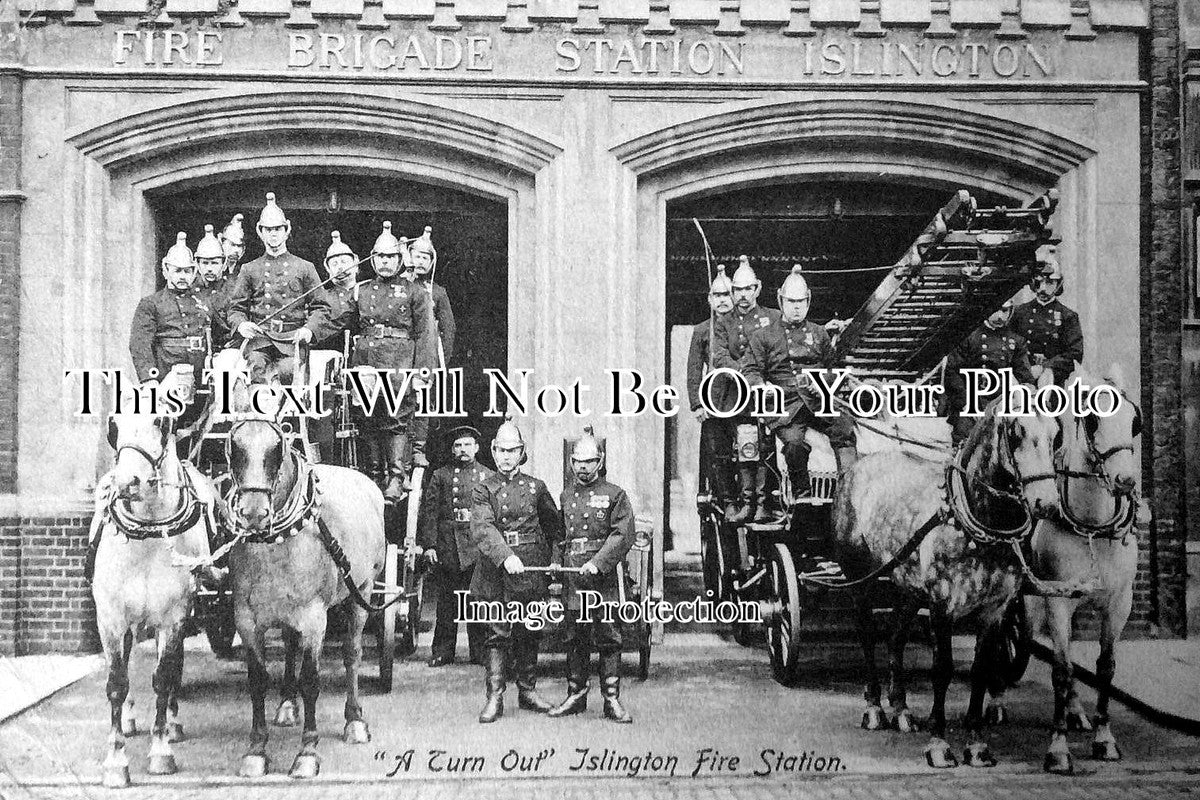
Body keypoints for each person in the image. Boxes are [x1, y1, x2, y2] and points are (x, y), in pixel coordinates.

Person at [469, 418, 564, 723]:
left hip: (530, 570)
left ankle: (528, 691)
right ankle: (494, 696)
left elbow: (555, 530)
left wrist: (554, 563)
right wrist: (505, 555)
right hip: (496, 571)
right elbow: (482, 528)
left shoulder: (536, 488)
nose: (507, 456)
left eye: (513, 450)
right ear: (493, 452)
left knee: (527, 631)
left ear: (522, 452)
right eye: (501, 450)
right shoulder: (482, 489)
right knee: (496, 634)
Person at [741, 265, 857, 499]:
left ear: (808, 302)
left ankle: (848, 491)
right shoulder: (763, 336)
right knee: (794, 445)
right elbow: (750, 371)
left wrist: (823, 380)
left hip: (817, 401)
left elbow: (834, 368)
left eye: (801, 302)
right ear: (781, 300)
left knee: (844, 429)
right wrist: (762, 387)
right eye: (791, 302)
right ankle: (802, 498)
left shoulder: (819, 333)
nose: (796, 307)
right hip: (786, 405)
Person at [547, 427, 637, 724]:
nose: (582, 467)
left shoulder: (615, 495)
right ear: (571, 462)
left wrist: (598, 563)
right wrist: (557, 564)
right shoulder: (566, 495)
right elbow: (561, 536)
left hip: (604, 577)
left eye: (589, 462)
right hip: (574, 575)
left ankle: (611, 699)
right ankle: (576, 695)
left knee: (609, 636)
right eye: (578, 462)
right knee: (575, 636)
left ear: (600, 461)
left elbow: (622, 535)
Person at [353, 221, 437, 502]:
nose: (385, 262)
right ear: (372, 259)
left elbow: (426, 334)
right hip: (366, 359)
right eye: (380, 257)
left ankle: (396, 476)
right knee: (368, 418)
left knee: (396, 419)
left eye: (390, 257)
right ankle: (374, 475)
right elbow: (339, 320)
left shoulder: (415, 292)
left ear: (400, 260)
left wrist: (423, 372)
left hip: (400, 360)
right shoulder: (361, 290)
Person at [225, 193, 333, 386]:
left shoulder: (304, 267)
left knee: (287, 370)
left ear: (287, 230)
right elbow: (235, 309)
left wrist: (309, 330)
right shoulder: (249, 269)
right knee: (256, 366)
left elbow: (322, 307)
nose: (273, 234)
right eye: (268, 230)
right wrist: (241, 325)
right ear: (260, 231)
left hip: (292, 341)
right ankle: (258, 415)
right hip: (260, 340)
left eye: (277, 229)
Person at [711, 256, 781, 522]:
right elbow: (719, 356)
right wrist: (746, 372)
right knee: (745, 446)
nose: (742, 295)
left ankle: (766, 502)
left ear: (757, 289)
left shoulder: (772, 318)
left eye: (747, 289)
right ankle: (748, 503)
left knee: (768, 446)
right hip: (737, 397)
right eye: (737, 290)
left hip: (766, 394)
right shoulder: (724, 323)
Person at [419, 426, 494, 667]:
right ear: (453, 449)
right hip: (448, 545)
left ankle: (481, 651)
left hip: (477, 547)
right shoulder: (441, 475)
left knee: (477, 600)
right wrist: (430, 545)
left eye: (467, 445)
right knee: (448, 602)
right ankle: (442, 651)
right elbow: (430, 513)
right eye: (458, 445)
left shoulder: (488, 476)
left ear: (477, 448)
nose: (463, 449)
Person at [128, 233, 209, 429]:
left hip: (202, 382)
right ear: (166, 270)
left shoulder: (203, 303)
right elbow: (139, 344)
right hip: (165, 379)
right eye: (178, 271)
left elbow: (223, 334)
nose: (183, 276)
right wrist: (149, 380)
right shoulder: (151, 304)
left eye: (188, 271)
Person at [943, 300, 1035, 444]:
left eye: (1005, 311)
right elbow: (952, 373)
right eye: (996, 310)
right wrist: (967, 403)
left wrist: (1028, 392)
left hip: (1002, 402)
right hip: (971, 400)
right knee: (965, 437)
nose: (1000, 316)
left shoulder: (1016, 340)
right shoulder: (968, 336)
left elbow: (1024, 374)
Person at [686, 265, 737, 518]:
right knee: (719, 452)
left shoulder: (744, 327)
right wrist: (697, 404)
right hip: (715, 401)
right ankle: (726, 499)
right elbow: (694, 370)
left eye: (727, 295)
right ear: (710, 299)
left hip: (743, 399)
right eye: (718, 295)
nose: (723, 300)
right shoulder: (702, 330)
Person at [312, 231, 363, 464]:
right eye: (334, 263)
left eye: (344, 261)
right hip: (331, 366)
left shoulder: (368, 291)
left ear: (355, 262)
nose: (340, 267)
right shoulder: (321, 295)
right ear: (327, 268)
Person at [1010, 254, 1083, 386]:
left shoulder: (1068, 316)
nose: (1043, 288)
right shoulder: (1019, 313)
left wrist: (1046, 367)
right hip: (1022, 377)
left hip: (1055, 380)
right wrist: (1027, 368)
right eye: (1039, 282)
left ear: (1058, 284)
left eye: (1049, 282)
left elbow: (1075, 354)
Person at [193, 224, 232, 348]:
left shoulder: (233, 290)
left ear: (224, 263)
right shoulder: (190, 291)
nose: (209, 268)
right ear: (197, 263)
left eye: (214, 263)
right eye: (205, 263)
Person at [219, 213, 247, 280]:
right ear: (221, 243)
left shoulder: (245, 273)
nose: (236, 250)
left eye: (239, 246)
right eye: (232, 245)